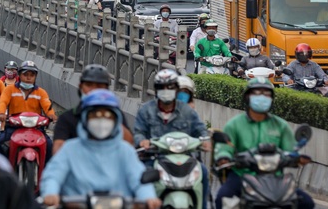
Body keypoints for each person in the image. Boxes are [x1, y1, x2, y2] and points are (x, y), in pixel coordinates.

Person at [41, 90, 161, 209]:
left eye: (107, 116)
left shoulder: (125, 151)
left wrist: (148, 197)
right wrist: (51, 193)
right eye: (95, 115)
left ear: (116, 120)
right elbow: (53, 175)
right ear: (85, 118)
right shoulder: (70, 149)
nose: (102, 121)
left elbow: (139, 178)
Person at [213, 77, 315, 209]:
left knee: (307, 203)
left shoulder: (281, 125)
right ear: (247, 97)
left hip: (275, 178)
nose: (262, 97)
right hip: (242, 175)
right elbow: (224, 147)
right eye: (256, 93)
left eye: (266, 94)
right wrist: (224, 157)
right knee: (223, 198)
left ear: (272, 99)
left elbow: (290, 150)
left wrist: (297, 158)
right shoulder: (234, 124)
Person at [134, 69, 211, 209]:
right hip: (154, 159)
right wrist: (142, 141)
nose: (166, 90)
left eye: (170, 87)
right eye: (161, 87)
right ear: (156, 90)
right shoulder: (146, 110)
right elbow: (138, 132)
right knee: (141, 176)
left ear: (176, 89)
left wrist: (205, 140)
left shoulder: (187, 111)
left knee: (203, 172)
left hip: (185, 158)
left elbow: (200, 129)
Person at [53, 64, 134, 155]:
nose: (93, 90)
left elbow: (129, 144)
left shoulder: (116, 115)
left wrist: (112, 115)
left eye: (99, 86)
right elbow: (58, 148)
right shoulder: (68, 118)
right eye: (89, 85)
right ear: (81, 87)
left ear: (106, 89)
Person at [0, 60, 57, 159]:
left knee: (50, 146)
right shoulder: (9, 90)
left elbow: (47, 106)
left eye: (32, 75)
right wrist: (1, 113)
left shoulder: (41, 92)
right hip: (13, 126)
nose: (28, 78)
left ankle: (46, 172)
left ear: (35, 77)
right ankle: (1, 169)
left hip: (36, 128)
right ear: (19, 75)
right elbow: (3, 102)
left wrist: (52, 115)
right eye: (25, 74)